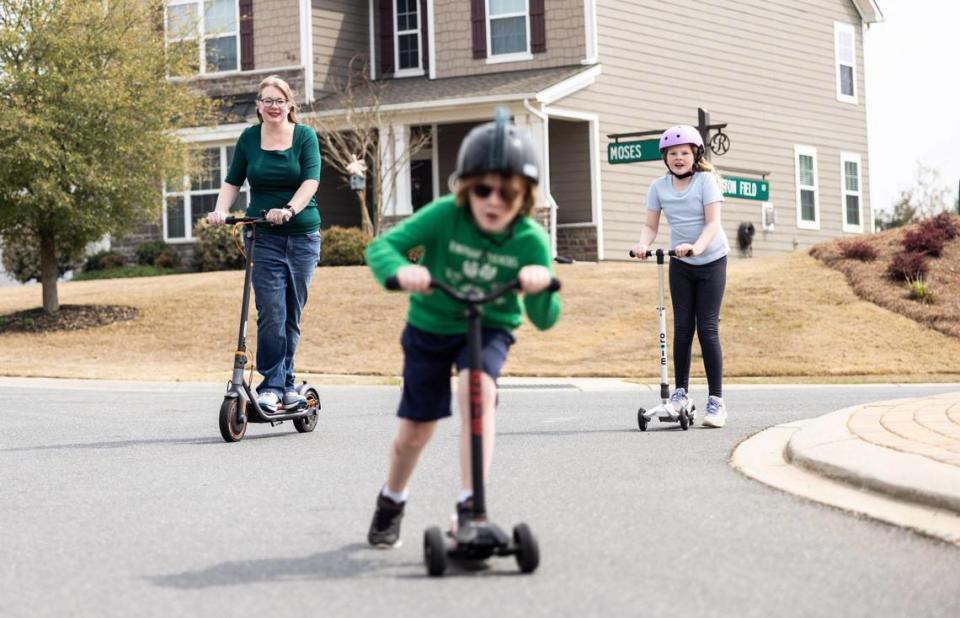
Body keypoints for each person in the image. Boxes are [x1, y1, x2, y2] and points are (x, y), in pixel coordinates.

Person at [364, 111, 562, 548]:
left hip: (488, 325)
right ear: (468, 188)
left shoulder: (530, 240)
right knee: (417, 431)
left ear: (524, 197)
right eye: (484, 190)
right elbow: (383, 247)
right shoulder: (443, 216)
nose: (495, 201)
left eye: (508, 194)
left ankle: (472, 507)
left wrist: (540, 285)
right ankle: (392, 499)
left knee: (478, 390)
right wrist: (402, 272)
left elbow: (546, 318)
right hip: (431, 326)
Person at [206, 75, 322, 413]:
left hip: (302, 236)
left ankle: (286, 383)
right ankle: (273, 385)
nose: (273, 106)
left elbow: (310, 181)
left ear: (289, 105)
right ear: (258, 105)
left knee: (291, 314)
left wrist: (288, 210)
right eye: (267, 100)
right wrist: (220, 210)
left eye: (279, 100)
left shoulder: (304, 137)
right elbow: (233, 181)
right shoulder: (248, 138)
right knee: (271, 312)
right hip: (262, 236)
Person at [630, 125, 730, 428]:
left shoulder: (706, 182)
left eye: (684, 153)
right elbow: (651, 226)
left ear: (695, 154)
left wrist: (696, 247)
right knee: (682, 328)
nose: (678, 158)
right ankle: (680, 395)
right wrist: (643, 245)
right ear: (665, 157)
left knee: (707, 329)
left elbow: (713, 224)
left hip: (711, 260)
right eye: (673, 153)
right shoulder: (658, 187)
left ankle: (716, 402)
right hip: (680, 264)